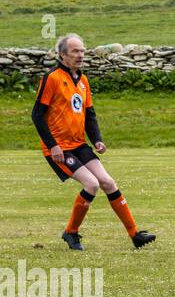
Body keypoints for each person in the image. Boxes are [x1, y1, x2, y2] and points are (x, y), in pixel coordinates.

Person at [34, 33, 155, 251]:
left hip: (79, 145)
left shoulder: (83, 80)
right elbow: (37, 115)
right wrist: (53, 145)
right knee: (92, 184)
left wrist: (97, 140)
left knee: (108, 182)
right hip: (59, 148)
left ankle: (135, 235)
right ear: (62, 55)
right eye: (75, 51)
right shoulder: (51, 78)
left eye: (82, 51)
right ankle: (71, 232)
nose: (80, 55)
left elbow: (89, 114)